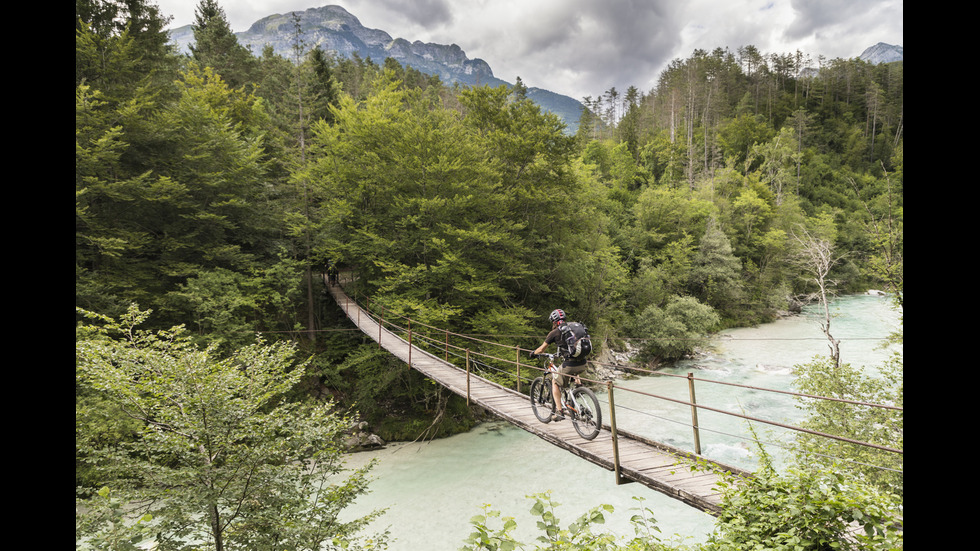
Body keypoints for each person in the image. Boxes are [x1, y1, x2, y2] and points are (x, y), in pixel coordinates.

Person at [529, 308, 588, 422]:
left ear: (554, 321)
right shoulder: (572, 328)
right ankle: (578, 385)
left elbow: (541, 349)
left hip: (570, 365)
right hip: (583, 363)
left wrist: (533, 353)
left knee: (555, 382)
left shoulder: (555, 332)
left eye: (552, 322)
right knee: (570, 367)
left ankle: (560, 412)